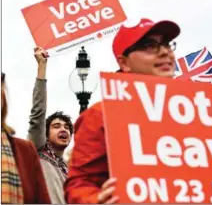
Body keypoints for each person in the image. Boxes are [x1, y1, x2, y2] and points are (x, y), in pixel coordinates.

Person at [64, 18, 180, 204]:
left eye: (167, 44)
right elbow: (80, 183)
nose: (165, 52)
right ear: (124, 63)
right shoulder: (101, 115)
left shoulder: (203, 111)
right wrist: (96, 200)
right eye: (150, 45)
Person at [28, 47, 74, 203]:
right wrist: (42, 66)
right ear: (45, 134)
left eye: (67, 128)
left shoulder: (68, 169)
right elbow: (38, 114)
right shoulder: (38, 150)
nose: (63, 129)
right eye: (56, 126)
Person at [1, 72, 51, 204]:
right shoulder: (37, 145)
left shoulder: (26, 151)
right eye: (57, 125)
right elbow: (38, 117)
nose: (63, 130)